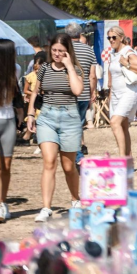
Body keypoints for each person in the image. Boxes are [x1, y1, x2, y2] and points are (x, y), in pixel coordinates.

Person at [26, 34, 84, 222]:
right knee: (49, 161)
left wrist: (69, 67)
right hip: (47, 117)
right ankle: (46, 208)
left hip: (69, 118)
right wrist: (30, 114)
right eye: (54, 50)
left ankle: (75, 199)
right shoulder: (44, 68)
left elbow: (77, 91)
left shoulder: (74, 69)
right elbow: (35, 92)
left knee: (68, 166)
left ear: (68, 51)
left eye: (61, 51)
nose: (57, 54)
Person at [0, 39, 22, 223]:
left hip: (8, 120)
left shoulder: (15, 70)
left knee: (7, 165)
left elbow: (16, 93)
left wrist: (20, 113)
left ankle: (3, 201)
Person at [105, 26, 137, 157]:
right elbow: (112, 76)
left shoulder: (128, 51)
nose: (111, 40)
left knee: (114, 122)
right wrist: (110, 93)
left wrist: (127, 64)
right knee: (123, 127)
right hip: (116, 94)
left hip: (128, 92)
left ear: (121, 37)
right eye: (109, 38)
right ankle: (128, 160)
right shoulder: (113, 53)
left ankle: (122, 159)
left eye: (114, 37)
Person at [64, 22, 97, 160]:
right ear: (80, 34)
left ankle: (75, 154)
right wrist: (92, 92)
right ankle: (75, 153)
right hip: (83, 93)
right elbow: (92, 75)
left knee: (68, 125)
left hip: (67, 93)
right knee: (78, 124)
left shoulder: (63, 50)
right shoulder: (89, 50)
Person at [21, 51, 46, 151]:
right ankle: (27, 137)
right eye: (36, 69)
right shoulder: (30, 76)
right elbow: (26, 90)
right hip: (34, 100)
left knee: (39, 119)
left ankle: (33, 137)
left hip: (42, 100)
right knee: (32, 118)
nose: (37, 71)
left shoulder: (46, 76)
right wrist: (33, 94)